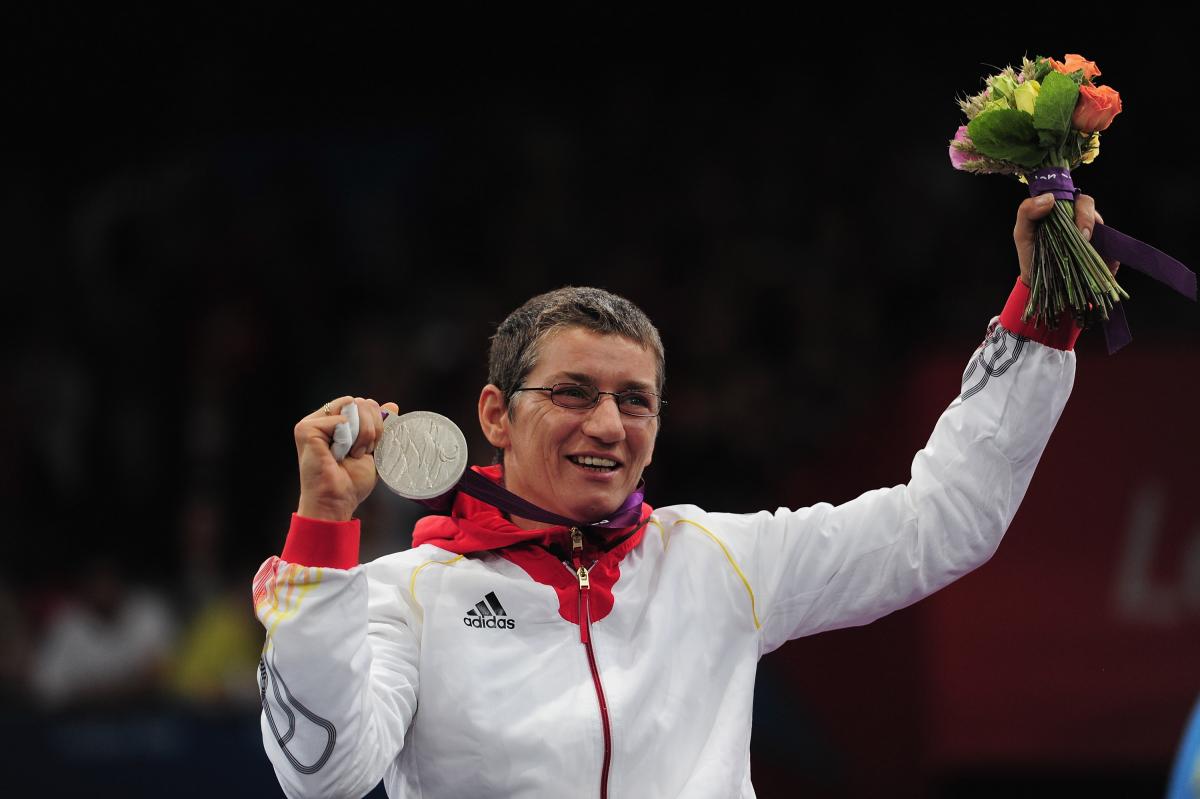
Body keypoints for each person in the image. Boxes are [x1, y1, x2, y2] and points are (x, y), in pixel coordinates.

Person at [254, 194, 1112, 798]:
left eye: (635, 400)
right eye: (574, 392)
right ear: (496, 415)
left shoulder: (718, 560)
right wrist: (324, 531)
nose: (608, 424)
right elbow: (322, 774)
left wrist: (1038, 324)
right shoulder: (409, 592)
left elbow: (943, 522)